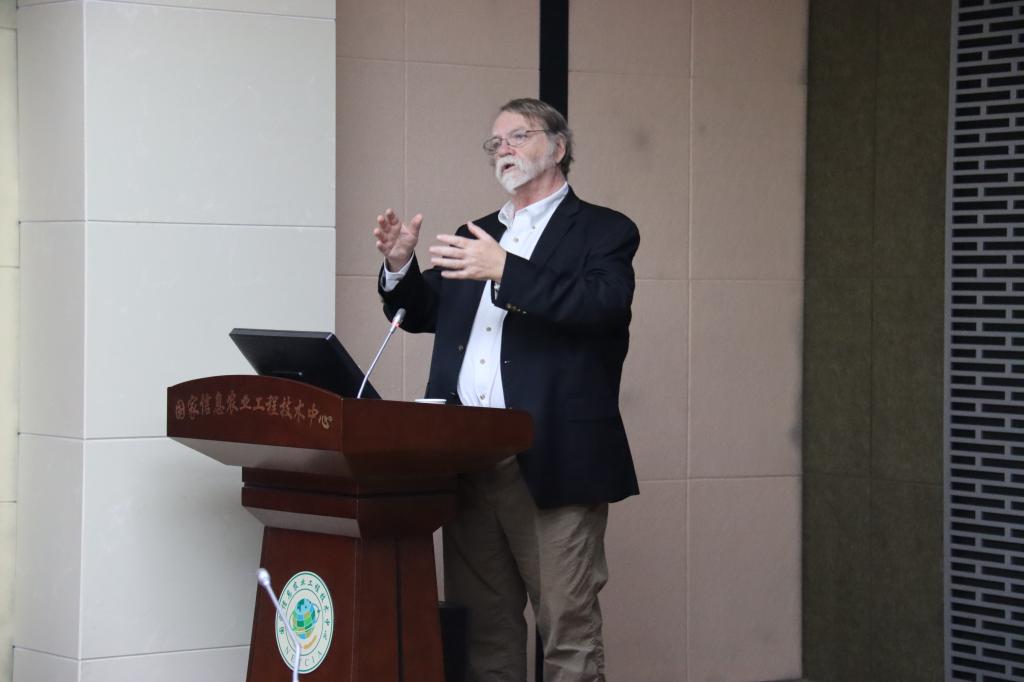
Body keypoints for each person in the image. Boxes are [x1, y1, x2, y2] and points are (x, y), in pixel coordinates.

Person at [373, 97, 639, 682]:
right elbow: (424, 311)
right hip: (470, 457)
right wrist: (399, 268)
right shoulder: (480, 233)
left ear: (559, 147)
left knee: (567, 631)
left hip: (552, 457)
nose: (504, 149)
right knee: (483, 632)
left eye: (518, 136)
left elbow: (601, 305)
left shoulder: (604, 230)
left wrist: (505, 269)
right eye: (495, 143)